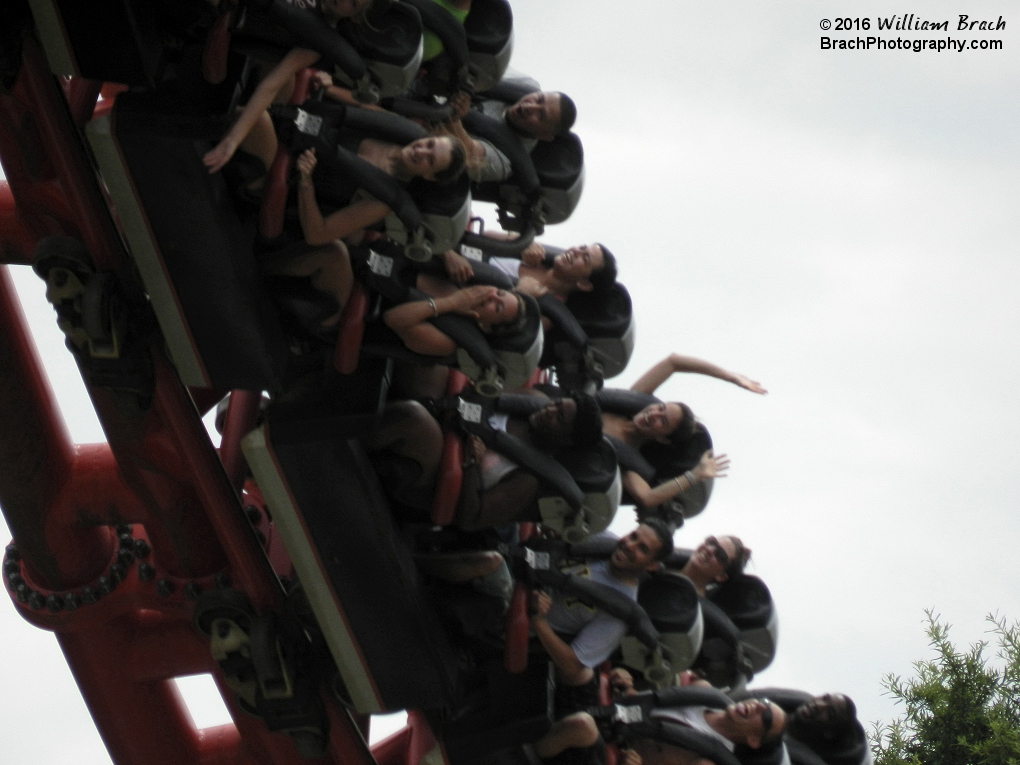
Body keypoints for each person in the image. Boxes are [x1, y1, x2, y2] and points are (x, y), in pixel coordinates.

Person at [261, 135, 466, 326]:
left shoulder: (386, 199)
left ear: (429, 176)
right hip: (294, 138)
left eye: (429, 161)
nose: (422, 151)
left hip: (286, 180)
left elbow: (317, 234)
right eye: (429, 144)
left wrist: (305, 181)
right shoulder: (390, 129)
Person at [366, 394, 603, 524]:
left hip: (431, 477)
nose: (550, 410)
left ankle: (348, 435)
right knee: (429, 364)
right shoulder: (524, 405)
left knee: (413, 415)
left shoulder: (528, 479)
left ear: (567, 440)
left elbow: (472, 517)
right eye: (556, 404)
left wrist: (471, 464)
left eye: (559, 418)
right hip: (442, 416)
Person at [202, 0, 375, 175]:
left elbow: (273, 84)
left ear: (355, 17)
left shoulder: (321, 38)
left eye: (353, 4)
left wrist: (233, 140)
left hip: (235, 24)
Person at [601, 354, 766, 512]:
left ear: (663, 439)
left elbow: (647, 497)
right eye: (660, 408)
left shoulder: (631, 461)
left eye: (663, 421)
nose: (653, 415)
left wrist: (695, 475)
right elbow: (674, 362)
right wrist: (731, 377)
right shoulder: (630, 402)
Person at [529, 520, 675, 688]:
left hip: (514, 614)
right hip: (523, 562)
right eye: (633, 536)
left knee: (492, 561)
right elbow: (555, 522)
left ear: (652, 565)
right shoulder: (603, 540)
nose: (629, 545)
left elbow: (574, 666)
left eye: (642, 548)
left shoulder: (620, 614)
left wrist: (537, 619)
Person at [538, 670, 786, 765]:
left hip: (606, 755)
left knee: (582, 725)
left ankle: (518, 753)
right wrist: (626, 683)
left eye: (764, 718)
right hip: (608, 716)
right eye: (763, 703)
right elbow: (644, 704)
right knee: (580, 669)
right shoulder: (704, 694)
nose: (757, 707)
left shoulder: (708, 762)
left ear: (754, 740)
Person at [445, 89, 578, 182]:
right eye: (539, 99)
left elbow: (468, 152)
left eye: (540, 115)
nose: (530, 107)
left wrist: (454, 116)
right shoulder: (522, 85)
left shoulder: (507, 162)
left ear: (544, 136)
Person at [674, 535, 752, 596]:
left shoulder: (699, 610)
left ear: (721, 576)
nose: (710, 549)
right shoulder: (663, 563)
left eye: (720, 554)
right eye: (712, 542)